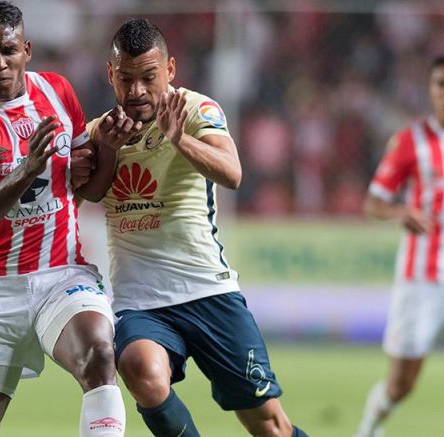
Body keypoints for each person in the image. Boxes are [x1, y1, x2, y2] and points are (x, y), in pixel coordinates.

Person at [72, 19, 308, 437]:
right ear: (111, 74)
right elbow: (87, 194)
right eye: (126, 79)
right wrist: (107, 149)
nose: (136, 91)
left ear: (171, 70)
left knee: (270, 426)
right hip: (140, 301)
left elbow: (232, 173)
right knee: (139, 369)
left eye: (149, 78)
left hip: (208, 290)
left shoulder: (197, 110)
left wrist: (178, 138)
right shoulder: (99, 132)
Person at [0, 2, 125, 436]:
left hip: (62, 273)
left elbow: (89, 189)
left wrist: (108, 151)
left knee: (98, 355)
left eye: (8, 50)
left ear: (27, 49)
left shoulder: (58, 92)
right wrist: (27, 168)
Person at [355, 56, 444, 437]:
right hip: (422, 278)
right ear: (430, 91)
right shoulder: (412, 141)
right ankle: (371, 425)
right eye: (440, 84)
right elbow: (373, 201)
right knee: (402, 384)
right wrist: (398, 212)